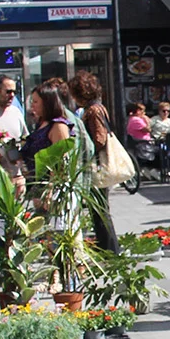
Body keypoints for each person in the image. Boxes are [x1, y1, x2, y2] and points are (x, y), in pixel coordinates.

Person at [68, 71, 121, 250]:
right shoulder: (98, 107)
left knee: (100, 209)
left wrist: (86, 149)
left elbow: (100, 138)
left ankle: (110, 248)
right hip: (98, 163)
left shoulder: (93, 110)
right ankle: (108, 247)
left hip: (97, 164)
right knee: (99, 208)